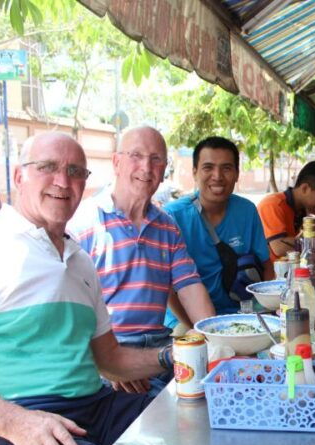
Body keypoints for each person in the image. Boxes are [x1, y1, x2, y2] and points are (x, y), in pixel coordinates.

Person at [0, 132, 223, 445]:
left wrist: (173, 355)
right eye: (47, 167)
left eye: (75, 171)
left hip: (93, 404)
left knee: (217, 436)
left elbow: (111, 360)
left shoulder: (79, 260)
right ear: (18, 176)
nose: (62, 181)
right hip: (8, 422)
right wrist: (16, 422)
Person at [69, 126, 215, 395]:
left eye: (156, 159)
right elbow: (70, 313)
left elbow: (190, 286)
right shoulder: (84, 223)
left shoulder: (167, 227)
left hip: (159, 350)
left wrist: (215, 338)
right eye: (136, 155)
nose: (146, 167)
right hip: (108, 352)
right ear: (116, 162)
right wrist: (108, 364)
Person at [164, 136, 273, 325]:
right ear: (195, 172)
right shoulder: (173, 216)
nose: (217, 176)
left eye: (226, 168)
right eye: (208, 168)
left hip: (240, 314)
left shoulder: (247, 211)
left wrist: (270, 311)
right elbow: (165, 287)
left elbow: (266, 266)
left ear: (237, 174)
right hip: (186, 320)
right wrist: (196, 330)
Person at [257, 160, 315, 261]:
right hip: (273, 269)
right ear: (305, 188)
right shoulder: (272, 205)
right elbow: (279, 247)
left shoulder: (300, 209)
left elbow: (304, 236)